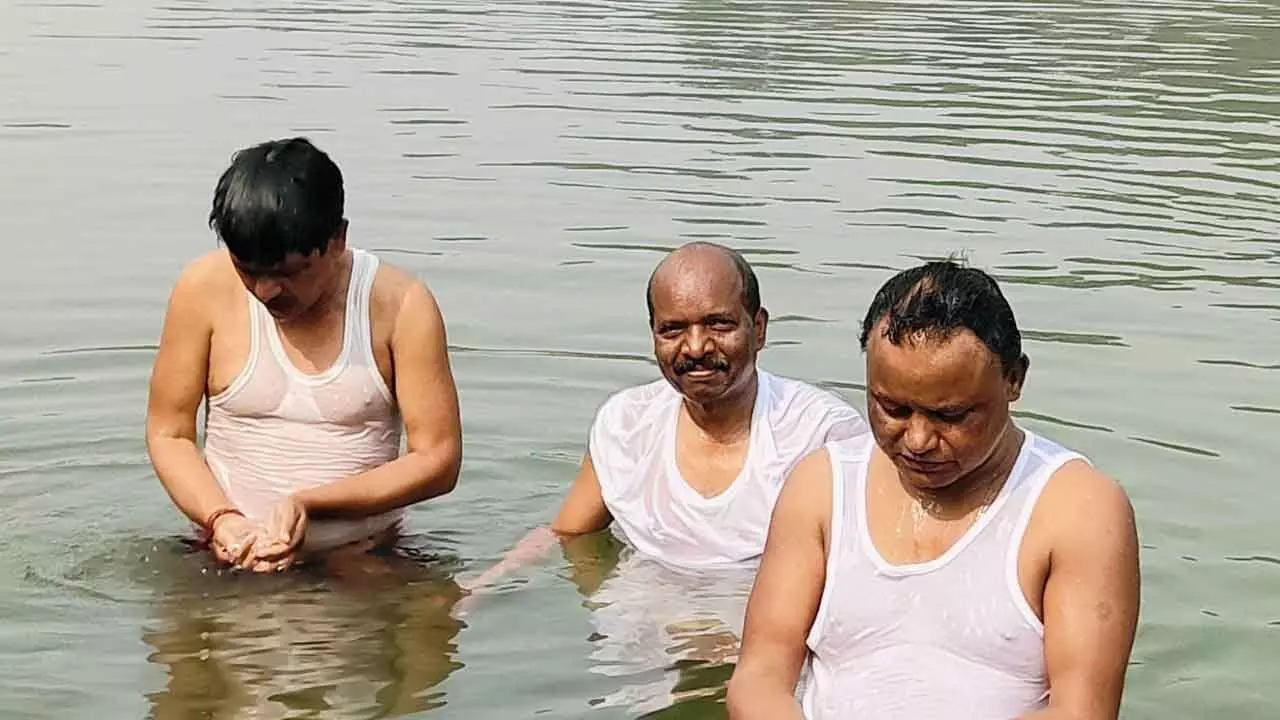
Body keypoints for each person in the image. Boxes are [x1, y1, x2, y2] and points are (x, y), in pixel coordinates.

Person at [727, 259, 1141, 719]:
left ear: (1014, 380)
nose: (919, 440)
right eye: (892, 409)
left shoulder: (1077, 508)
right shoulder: (822, 486)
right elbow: (760, 677)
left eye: (950, 416)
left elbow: (1081, 711)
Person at [463, 240, 867, 587]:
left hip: (760, 648)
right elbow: (567, 533)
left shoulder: (822, 437)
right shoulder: (626, 425)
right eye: (672, 330)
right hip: (643, 642)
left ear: (758, 329)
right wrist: (481, 587)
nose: (695, 347)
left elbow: (862, 572)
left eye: (719, 324)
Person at [145, 137, 463, 573]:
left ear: (337, 240)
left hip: (358, 561)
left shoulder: (400, 305)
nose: (265, 290)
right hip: (223, 554)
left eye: (288, 273)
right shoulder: (202, 290)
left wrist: (309, 504)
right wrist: (223, 519)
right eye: (248, 270)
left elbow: (438, 459)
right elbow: (169, 433)